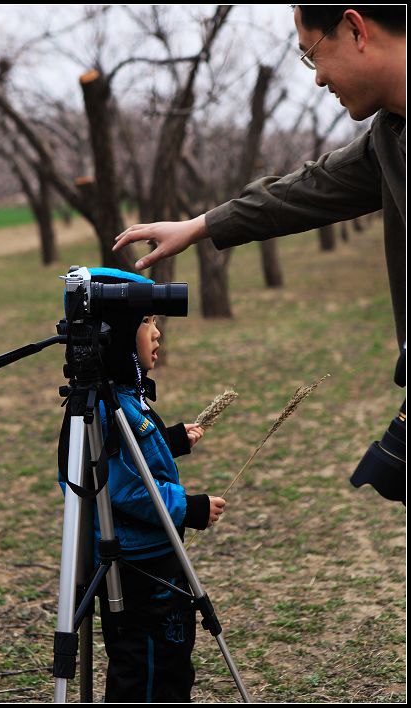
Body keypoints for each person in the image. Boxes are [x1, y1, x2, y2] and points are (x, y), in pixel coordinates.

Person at [113, 5, 406, 504]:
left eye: (313, 55)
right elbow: (311, 189)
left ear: (356, 29)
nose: (318, 80)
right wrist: (200, 225)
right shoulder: (391, 135)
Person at [62, 267, 226, 703]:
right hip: (140, 566)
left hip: (149, 557)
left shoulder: (124, 399)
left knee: (169, 665)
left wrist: (169, 439)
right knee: (151, 672)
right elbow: (121, 487)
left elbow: (132, 457)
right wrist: (188, 508)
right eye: (148, 323)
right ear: (118, 335)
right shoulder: (102, 405)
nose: (158, 335)